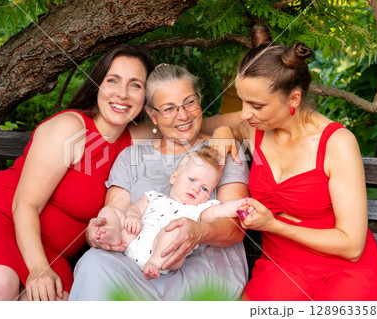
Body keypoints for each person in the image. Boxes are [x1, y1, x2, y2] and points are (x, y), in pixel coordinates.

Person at [0, 44, 155, 301]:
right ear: (97, 85)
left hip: (52, 251)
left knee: (57, 302)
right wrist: (38, 268)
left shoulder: (137, 137)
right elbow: (26, 204)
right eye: (113, 81)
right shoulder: (70, 128)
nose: (122, 94)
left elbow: (191, 126)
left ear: (146, 97)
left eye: (135, 85)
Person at [201, 25, 377, 300]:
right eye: (242, 101)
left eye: (256, 105)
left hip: (346, 270)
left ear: (294, 98)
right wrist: (223, 131)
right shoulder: (253, 127)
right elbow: (191, 127)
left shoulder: (337, 143)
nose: (244, 113)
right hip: (282, 268)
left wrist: (274, 226)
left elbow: (351, 245)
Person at [69, 64, 250, 301]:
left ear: (200, 100)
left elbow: (235, 228)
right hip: (136, 267)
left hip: (203, 268)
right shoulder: (131, 157)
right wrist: (100, 230)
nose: (183, 115)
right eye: (169, 109)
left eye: (189, 103)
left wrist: (199, 232)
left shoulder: (222, 150)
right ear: (152, 114)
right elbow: (114, 213)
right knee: (94, 262)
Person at [95, 146, 250, 280]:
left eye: (204, 189)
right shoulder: (153, 197)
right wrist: (133, 216)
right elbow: (136, 207)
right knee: (110, 210)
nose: (196, 189)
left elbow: (220, 210)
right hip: (132, 241)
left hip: (165, 256)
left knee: (178, 228)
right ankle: (112, 234)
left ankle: (153, 263)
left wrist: (243, 204)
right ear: (174, 177)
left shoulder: (197, 210)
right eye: (192, 180)